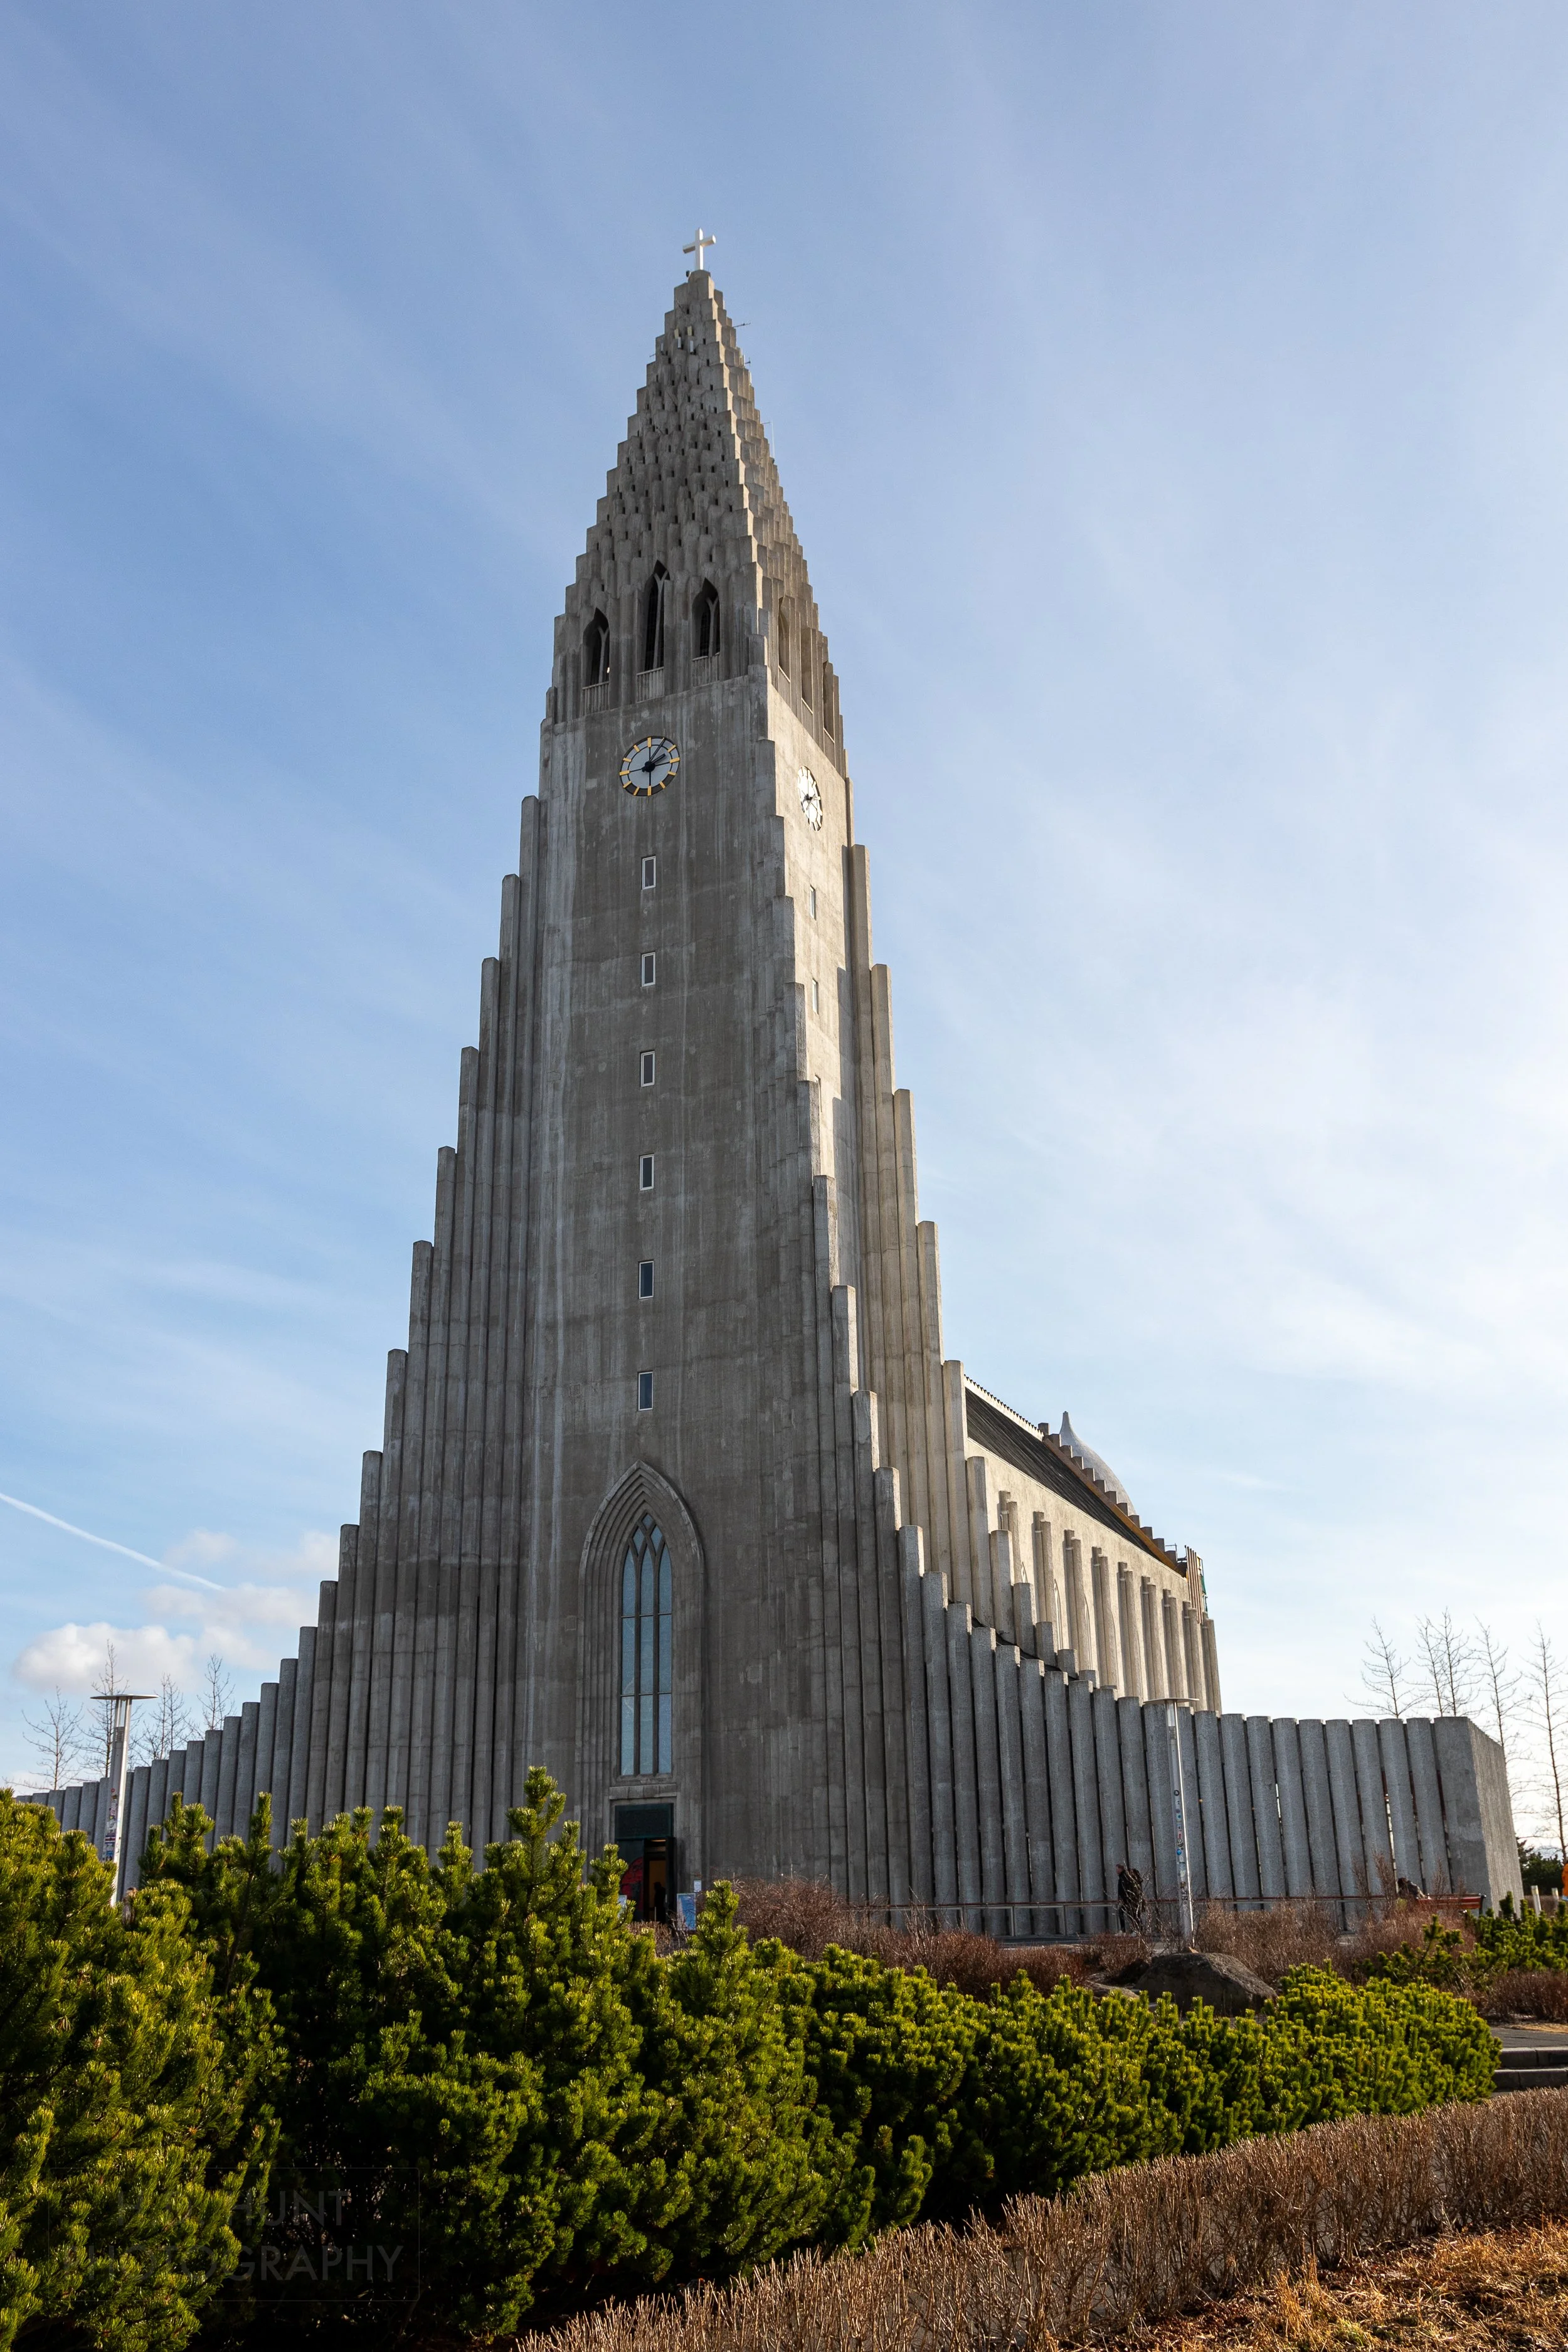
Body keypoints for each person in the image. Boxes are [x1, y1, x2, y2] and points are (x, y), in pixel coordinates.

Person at [1116, 1861, 1146, 1934]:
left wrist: (1123, 1898)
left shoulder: (1126, 1878)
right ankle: (1137, 1930)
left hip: (1131, 1900)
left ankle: (1136, 1930)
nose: (1116, 1871)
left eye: (1117, 1869)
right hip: (1130, 1900)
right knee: (1133, 1915)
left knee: (1134, 1915)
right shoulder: (1125, 1878)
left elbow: (1125, 1889)